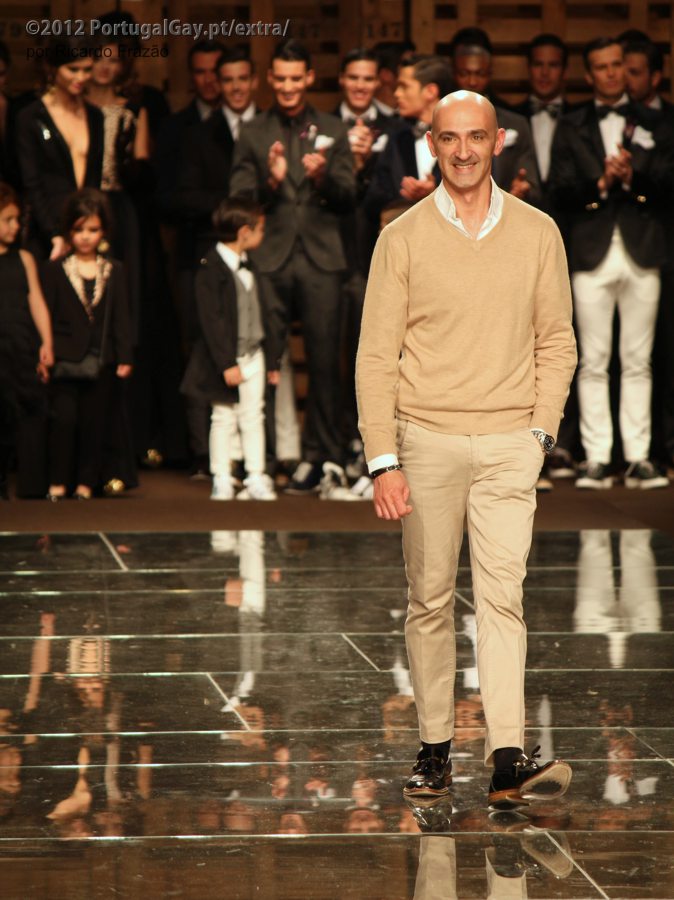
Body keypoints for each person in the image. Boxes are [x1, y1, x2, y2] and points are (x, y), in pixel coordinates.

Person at [356, 90, 577, 806]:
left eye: (475, 137)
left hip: (512, 442)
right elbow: (375, 356)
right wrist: (384, 459)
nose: (462, 151)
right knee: (428, 599)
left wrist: (541, 432)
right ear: (431, 143)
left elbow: (557, 340)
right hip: (426, 441)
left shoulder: (538, 232)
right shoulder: (402, 238)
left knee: (503, 598)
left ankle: (507, 754)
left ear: (498, 141)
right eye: (448, 138)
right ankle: (434, 750)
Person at [229, 38, 356, 493]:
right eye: (280, 78)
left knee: (325, 361)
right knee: (263, 361)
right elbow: (238, 200)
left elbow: (348, 196)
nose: (287, 86)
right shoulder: (253, 131)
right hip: (270, 257)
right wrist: (271, 181)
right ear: (270, 79)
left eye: (295, 78)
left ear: (309, 78)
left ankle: (323, 458)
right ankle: (260, 461)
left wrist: (321, 178)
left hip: (321, 257)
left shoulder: (333, 128)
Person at [549, 37, 674, 489]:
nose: (611, 73)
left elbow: (668, 182)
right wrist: (601, 182)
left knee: (638, 359)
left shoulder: (657, 119)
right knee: (593, 359)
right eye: (601, 66)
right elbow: (559, 189)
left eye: (617, 64)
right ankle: (597, 457)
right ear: (589, 74)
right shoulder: (572, 123)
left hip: (643, 247)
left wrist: (633, 178)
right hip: (590, 250)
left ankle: (638, 457)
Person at [180, 199, 283, 501]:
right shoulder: (210, 268)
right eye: (260, 229)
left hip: (254, 354)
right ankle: (222, 476)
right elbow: (211, 321)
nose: (262, 234)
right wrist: (226, 362)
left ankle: (255, 475)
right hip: (224, 357)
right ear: (244, 232)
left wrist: (273, 360)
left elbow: (266, 316)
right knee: (223, 417)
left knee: (253, 416)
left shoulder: (252, 266)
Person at [41, 189, 132, 500]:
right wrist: (44, 350)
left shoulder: (114, 270)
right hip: (65, 356)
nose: (85, 237)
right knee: (64, 421)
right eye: (79, 229)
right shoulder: (56, 269)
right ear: (69, 230)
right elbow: (46, 312)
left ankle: (85, 482)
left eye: (92, 229)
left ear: (103, 231)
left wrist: (125, 355)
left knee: (94, 423)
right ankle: (58, 480)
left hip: (100, 357)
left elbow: (121, 315)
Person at [14, 37, 104, 261]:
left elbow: (94, 178)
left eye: (87, 69)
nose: (81, 77)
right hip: (46, 230)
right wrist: (53, 233)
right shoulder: (31, 117)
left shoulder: (95, 116)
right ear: (53, 67)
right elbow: (31, 183)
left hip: (86, 230)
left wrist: (93, 227)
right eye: (73, 69)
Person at [0, 183, 53, 499]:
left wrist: (46, 342)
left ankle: (31, 486)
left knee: (26, 412)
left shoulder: (24, 258)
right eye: (7, 219)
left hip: (19, 345)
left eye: (17, 220)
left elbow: (36, 301)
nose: (15, 226)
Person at [450, 34, 541, 207]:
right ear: (454, 74)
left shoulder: (515, 124)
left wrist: (524, 188)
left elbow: (532, 184)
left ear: (490, 74)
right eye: (464, 74)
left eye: (480, 74)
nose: (472, 81)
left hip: (506, 215)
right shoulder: (439, 123)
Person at [363, 55, 453, 223]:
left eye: (404, 87)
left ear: (430, 91)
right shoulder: (397, 139)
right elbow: (374, 200)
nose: (396, 93)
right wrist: (405, 197)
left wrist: (436, 194)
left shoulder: (464, 139)